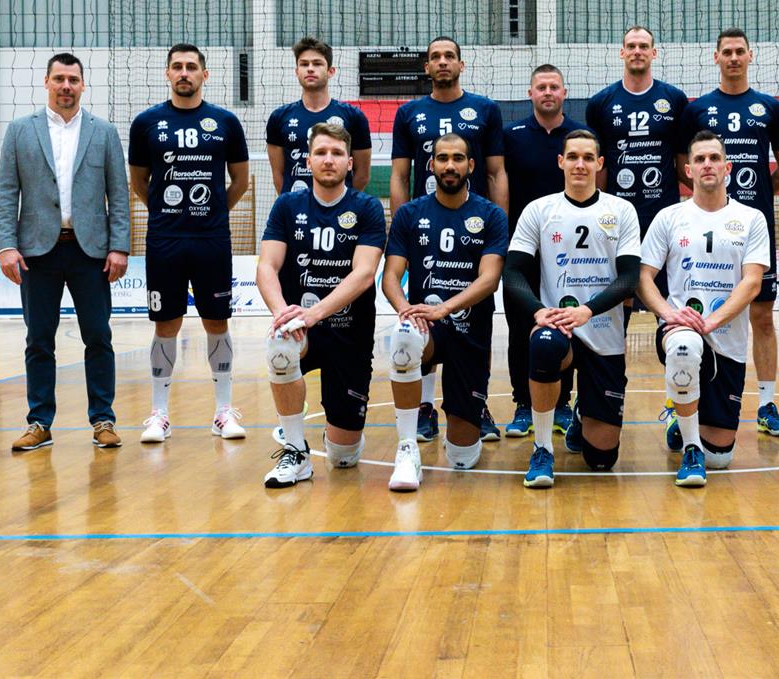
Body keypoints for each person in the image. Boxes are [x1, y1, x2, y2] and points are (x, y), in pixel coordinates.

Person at [0, 52, 131, 451]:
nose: (66, 86)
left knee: (98, 337)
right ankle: (39, 422)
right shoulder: (19, 131)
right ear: (47, 82)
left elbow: (118, 195)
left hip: (90, 253)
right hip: (38, 253)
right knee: (39, 340)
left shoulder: (103, 132)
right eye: (59, 79)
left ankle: (103, 419)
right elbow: (6, 193)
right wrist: (6, 245)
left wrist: (119, 247)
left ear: (83, 85)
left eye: (73, 79)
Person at [504, 129, 641, 488]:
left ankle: (583, 414)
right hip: (558, 326)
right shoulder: (539, 210)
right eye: (573, 157)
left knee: (601, 460)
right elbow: (513, 271)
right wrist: (538, 311)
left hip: (603, 332)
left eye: (588, 158)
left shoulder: (621, 210)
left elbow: (630, 277)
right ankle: (542, 448)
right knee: (544, 344)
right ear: (560, 162)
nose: (580, 164)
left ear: (599, 163)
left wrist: (589, 310)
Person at [128, 43, 250, 443]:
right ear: (168, 74)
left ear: (204, 74)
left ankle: (223, 411)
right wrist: (164, 211)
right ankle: (159, 414)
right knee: (166, 324)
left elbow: (240, 181)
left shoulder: (226, 122)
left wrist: (214, 210)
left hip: (211, 239)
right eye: (177, 67)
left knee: (217, 321)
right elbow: (138, 182)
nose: (184, 73)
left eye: (191, 67)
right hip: (165, 239)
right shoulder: (146, 123)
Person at [390, 36, 508, 443]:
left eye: (449, 56)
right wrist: (402, 228)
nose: (442, 62)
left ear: (461, 64)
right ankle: (424, 405)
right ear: (426, 67)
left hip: (474, 230)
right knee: (420, 318)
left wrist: (499, 231)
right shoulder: (409, 113)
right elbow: (400, 176)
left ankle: (477, 403)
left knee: (476, 321)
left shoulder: (485, 109)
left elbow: (496, 173)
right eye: (435, 57)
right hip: (424, 228)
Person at [678, 28, 779, 436]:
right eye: (726, 52)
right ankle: (683, 404)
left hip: (753, 227)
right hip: (705, 227)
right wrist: (713, 196)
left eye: (739, 51)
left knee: (762, 316)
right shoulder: (697, 110)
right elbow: (682, 164)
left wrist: (757, 193)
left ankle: (766, 404)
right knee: (695, 312)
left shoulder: (769, 107)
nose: (733, 58)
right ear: (716, 57)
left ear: (750, 56)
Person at [637, 131, 771, 486]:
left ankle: (679, 417)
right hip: (679, 329)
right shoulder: (669, 217)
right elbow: (643, 276)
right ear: (688, 170)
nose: (707, 164)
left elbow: (752, 283)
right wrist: (668, 315)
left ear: (728, 167)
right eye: (699, 159)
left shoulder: (751, 218)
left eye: (714, 158)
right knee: (684, 347)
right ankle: (691, 449)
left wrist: (710, 322)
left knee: (721, 458)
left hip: (726, 337)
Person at [256, 123, 386, 487]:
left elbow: (365, 274)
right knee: (280, 342)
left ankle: (339, 434)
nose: (329, 160)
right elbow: (267, 266)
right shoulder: (287, 205)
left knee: (343, 458)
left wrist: (314, 313)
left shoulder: (367, 208)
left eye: (337, 153)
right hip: (302, 330)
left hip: (349, 334)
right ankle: (295, 450)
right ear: (308, 161)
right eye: (321, 153)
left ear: (350, 163)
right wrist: (282, 313)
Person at [381, 133, 510, 490]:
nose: (449, 165)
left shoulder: (491, 215)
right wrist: (406, 310)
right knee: (404, 337)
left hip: (470, 331)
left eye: (457, 158)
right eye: (442, 158)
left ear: (471, 165)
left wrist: (446, 308)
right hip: (427, 327)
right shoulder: (410, 214)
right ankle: (407, 448)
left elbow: (490, 278)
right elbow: (390, 277)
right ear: (431, 165)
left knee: (463, 457)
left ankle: (467, 420)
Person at [499, 64, 586, 438]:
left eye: (554, 87)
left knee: (564, 324)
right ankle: (523, 404)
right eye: (541, 87)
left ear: (564, 93)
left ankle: (563, 403)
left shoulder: (579, 137)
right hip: (524, 250)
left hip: (569, 252)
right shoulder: (511, 136)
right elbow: (498, 182)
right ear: (530, 94)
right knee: (521, 329)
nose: (548, 92)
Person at [584, 26, 689, 332]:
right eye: (631, 46)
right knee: (621, 293)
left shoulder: (674, 99)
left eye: (643, 46)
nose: (637, 51)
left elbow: (682, 161)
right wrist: (597, 209)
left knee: (666, 293)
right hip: (618, 216)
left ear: (653, 53)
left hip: (663, 214)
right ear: (622, 52)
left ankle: (673, 349)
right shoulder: (601, 103)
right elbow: (600, 165)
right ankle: (614, 357)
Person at [266, 36, 372, 194]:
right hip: (297, 207)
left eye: (317, 63)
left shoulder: (354, 116)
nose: (310, 69)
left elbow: (362, 175)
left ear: (330, 71)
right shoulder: (279, 118)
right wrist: (292, 203)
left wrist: (343, 202)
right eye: (304, 64)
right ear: (297, 71)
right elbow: (278, 175)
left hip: (339, 206)